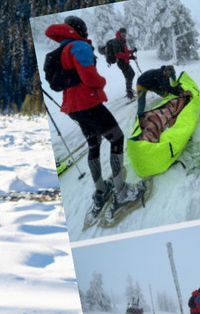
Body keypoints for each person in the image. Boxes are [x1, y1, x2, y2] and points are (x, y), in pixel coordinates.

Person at [45, 16, 141, 220]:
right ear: (81, 30)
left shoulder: (62, 49)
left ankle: (100, 191)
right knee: (116, 137)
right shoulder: (78, 46)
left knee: (93, 144)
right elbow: (89, 77)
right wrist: (102, 81)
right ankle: (121, 191)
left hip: (73, 108)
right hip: (88, 103)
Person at [103, 28, 138, 100]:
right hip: (121, 62)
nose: (124, 34)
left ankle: (129, 90)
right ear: (119, 33)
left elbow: (125, 51)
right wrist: (129, 56)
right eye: (122, 33)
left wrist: (132, 52)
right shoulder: (117, 41)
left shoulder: (122, 41)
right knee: (129, 75)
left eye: (125, 33)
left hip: (124, 61)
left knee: (131, 74)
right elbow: (118, 54)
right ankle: (129, 92)